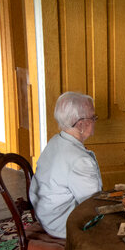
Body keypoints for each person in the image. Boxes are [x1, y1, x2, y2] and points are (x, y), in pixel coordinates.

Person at [30, 91, 103, 238]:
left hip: (46, 215)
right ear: (81, 125)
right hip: (62, 224)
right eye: (93, 117)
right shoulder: (80, 160)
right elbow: (91, 205)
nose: (95, 120)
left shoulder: (56, 140)